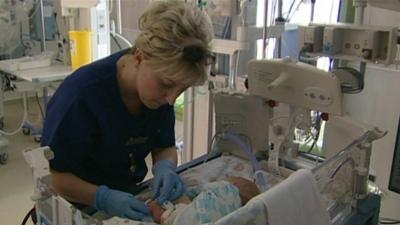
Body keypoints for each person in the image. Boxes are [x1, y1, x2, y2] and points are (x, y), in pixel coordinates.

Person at [41, 0, 214, 221]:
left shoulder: (156, 94)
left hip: (130, 196)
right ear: (139, 57)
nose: (171, 100)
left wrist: (166, 167)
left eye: (182, 89)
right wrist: (102, 197)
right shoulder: (81, 96)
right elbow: (53, 177)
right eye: (167, 84)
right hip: (75, 207)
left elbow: (165, 145)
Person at [147, 177, 260, 225]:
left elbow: (198, 189)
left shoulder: (224, 187)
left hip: (188, 217)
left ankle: (157, 210)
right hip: (207, 221)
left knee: (180, 206)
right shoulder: (237, 209)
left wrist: (188, 192)